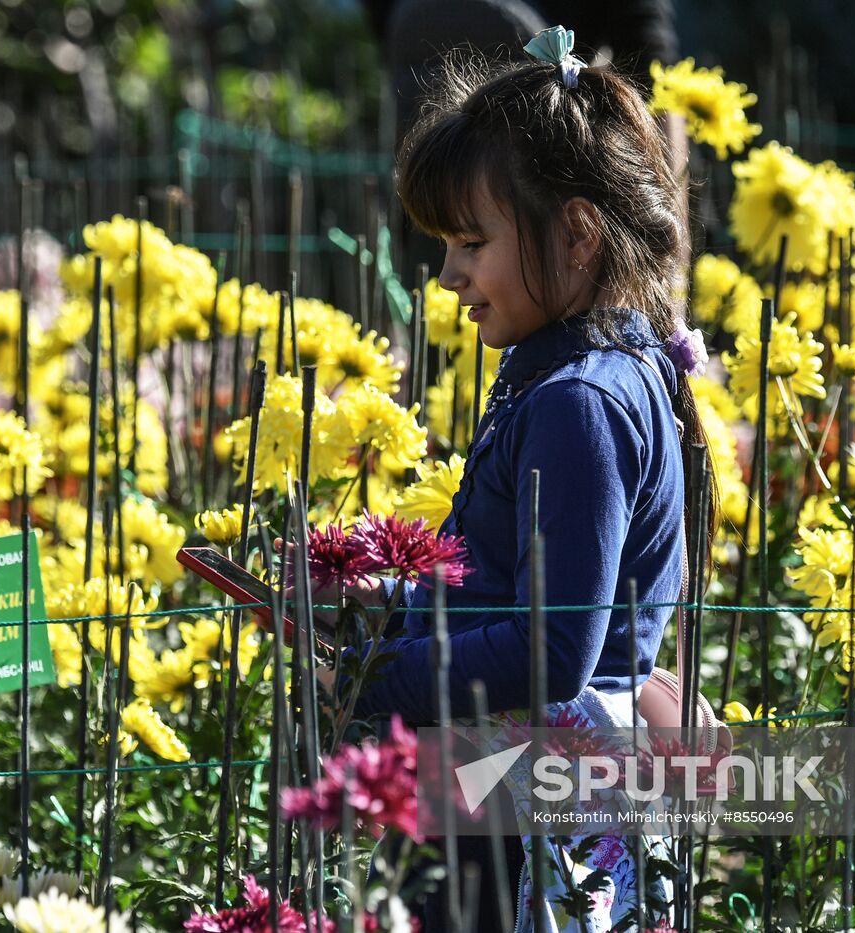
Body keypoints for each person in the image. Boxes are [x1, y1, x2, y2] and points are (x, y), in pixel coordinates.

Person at [324, 24, 717, 933]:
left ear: (576, 235)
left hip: (523, 809)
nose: (450, 274)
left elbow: (554, 650)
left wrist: (377, 676)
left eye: (470, 241)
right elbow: (506, 588)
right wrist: (380, 595)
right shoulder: (583, 371)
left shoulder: (578, 401)